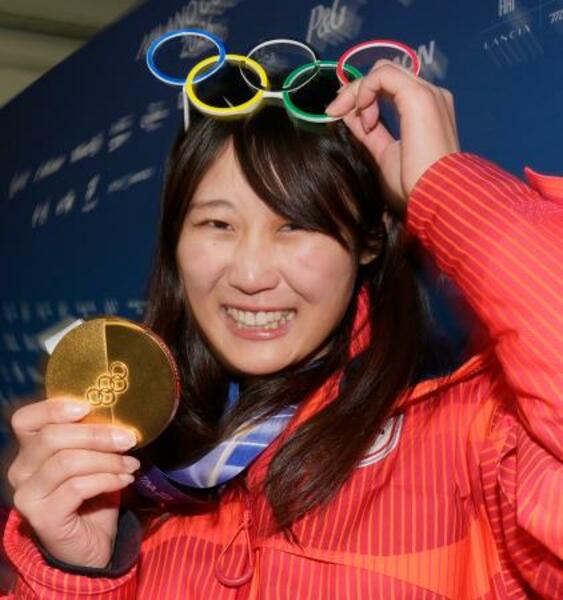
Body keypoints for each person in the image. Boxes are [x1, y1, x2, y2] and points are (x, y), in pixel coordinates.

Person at [2, 61, 562, 599]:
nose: (250, 276)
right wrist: (75, 572)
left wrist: (448, 191)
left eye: (295, 226)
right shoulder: (139, 484)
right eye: (217, 223)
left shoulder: (480, 445)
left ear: (369, 240)